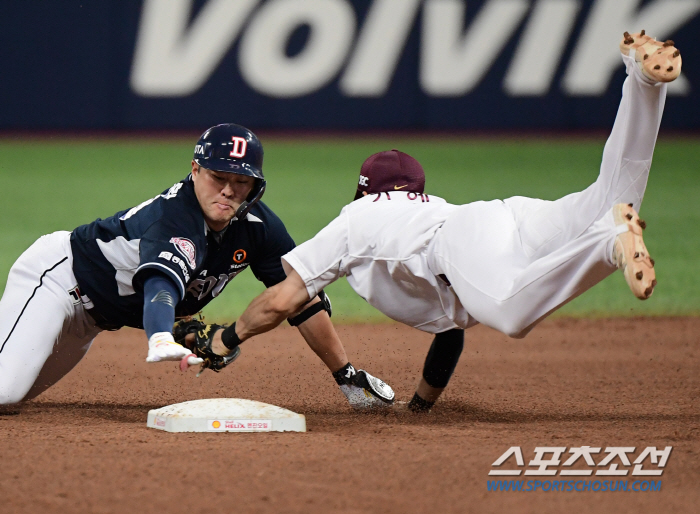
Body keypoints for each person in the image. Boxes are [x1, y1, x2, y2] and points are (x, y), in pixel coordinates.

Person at [184, 32, 681, 413]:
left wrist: (227, 338)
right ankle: (640, 82)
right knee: (610, 196)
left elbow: (282, 299)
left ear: (365, 190)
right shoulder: (426, 208)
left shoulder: (356, 218)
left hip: (462, 243)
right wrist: (420, 406)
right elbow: (451, 332)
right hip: (503, 215)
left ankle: (608, 244)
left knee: (510, 311)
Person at [0, 124, 394, 412]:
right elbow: (160, 286)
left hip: (93, 319)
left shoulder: (260, 228)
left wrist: (345, 373)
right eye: (218, 177)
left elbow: (301, 298)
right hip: (55, 280)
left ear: (256, 186)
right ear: (195, 170)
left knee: (10, 402)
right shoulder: (175, 217)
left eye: (241, 181)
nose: (228, 190)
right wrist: (159, 334)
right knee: (4, 392)